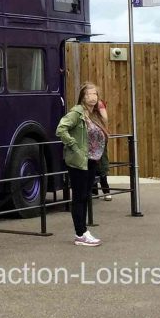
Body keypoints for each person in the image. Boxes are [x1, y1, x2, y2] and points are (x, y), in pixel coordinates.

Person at [56, 82, 108, 246]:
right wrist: (74, 146)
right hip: (79, 161)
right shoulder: (76, 113)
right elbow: (61, 129)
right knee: (79, 197)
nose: (92, 97)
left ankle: (84, 231)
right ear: (82, 97)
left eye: (95, 94)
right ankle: (80, 233)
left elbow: (104, 125)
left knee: (85, 196)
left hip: (92, 160)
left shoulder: (94, 114)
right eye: (89, 94)